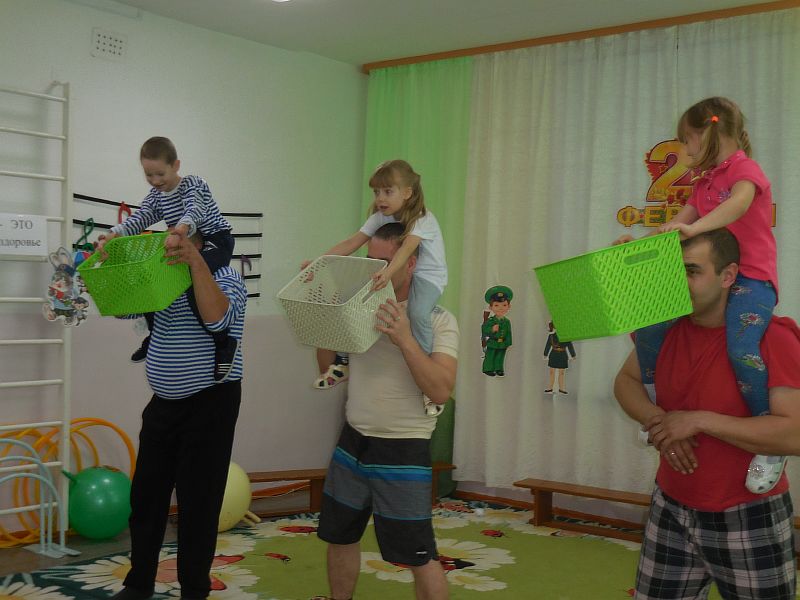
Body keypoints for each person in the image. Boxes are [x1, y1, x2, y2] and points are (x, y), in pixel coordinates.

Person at [614, 229, 800, 600]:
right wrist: (660, 423)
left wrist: (698, 420)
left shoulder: (771, 337)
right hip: (670, 506)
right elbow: (626, 381)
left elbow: (794, 434)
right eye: (673, 271)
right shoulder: (664, 333)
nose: (678, 282)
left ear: (728, 275)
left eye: (692, 271)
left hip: (748, 514)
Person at [615, 97, 782, 493]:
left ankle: (768, 439)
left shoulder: (744, 169)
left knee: (742, 348)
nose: (686, 151)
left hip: (752, 277)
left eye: (688, 140)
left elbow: (738, 205)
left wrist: (696, 228)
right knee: (650, 326)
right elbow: (673, 228)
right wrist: (635, 245)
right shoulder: (703, 182)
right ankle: (655, 409)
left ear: (710, 131)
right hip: (714, 275)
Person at [315, 222, 458, 600]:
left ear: (410, 263)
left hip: (403, 448)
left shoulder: (437, 320)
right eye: (370, 261)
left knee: (419, 554)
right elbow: (329, 371)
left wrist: (405, 339)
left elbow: (440, 390)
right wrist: (325, 321)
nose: (373, 271)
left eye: (384, 262)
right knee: (339, 536)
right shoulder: (360, 307)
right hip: (353, 440)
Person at [111, 231, 247, 600]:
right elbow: (121, 307)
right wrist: (110, 262)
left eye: (177, 237)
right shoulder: (162, 275)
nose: (167, 243)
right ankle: (139, 583)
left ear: (198, 241)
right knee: (146, 497)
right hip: (164, 403)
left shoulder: (227, 276)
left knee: (199, 503)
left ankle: (194, 590)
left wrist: (196, 265)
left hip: (211, 403)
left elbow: (218, 321)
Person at [304, 160, 447, 417]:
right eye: (376, 192)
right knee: (350, 299)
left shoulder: (422, 219)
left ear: (408, 192)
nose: (380, 198)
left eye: (388, 191)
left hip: (428, 276)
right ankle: (342, 362)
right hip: (398, 270)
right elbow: (352, 242)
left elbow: (406, 251)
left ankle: (427, 380)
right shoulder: (381, 218)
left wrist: (386, 273)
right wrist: (318, 264)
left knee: (418, 313)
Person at [95, 137, 239, 382]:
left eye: (160, 174)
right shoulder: (156, 195)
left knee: (194, 283)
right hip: (186, 240)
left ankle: (224, 342)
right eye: (148, 175)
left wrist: (180, 230)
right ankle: (154, 335)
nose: (155, 181)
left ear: (176, 165)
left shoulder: (193, 184)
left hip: (215, 239)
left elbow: (195, 210)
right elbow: (140, 218)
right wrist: (112, 235)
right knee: (154, 280)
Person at [481, 286, 513, 377]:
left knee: (500, 356)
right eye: (496, 305)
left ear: (509, 306)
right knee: (490, 356)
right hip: (493, 342)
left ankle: (499, 369)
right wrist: (492, 329)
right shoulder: (490, 321)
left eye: (504, 305)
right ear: (490, 307)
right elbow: (484, 329)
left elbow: (509, 333)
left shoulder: (506, 321)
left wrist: (509, 343)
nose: (500, 308)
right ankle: (488, 369)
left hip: (502, 343)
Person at [543, 321, 576, 394]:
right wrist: (545, 354)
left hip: (563, 355)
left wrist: (573, 355)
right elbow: (548, 345)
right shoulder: (551, 336)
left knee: (562, 373)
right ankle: (550, 388)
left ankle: (561, 388)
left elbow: (570, 346)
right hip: (553, 354)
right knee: (552, 372)